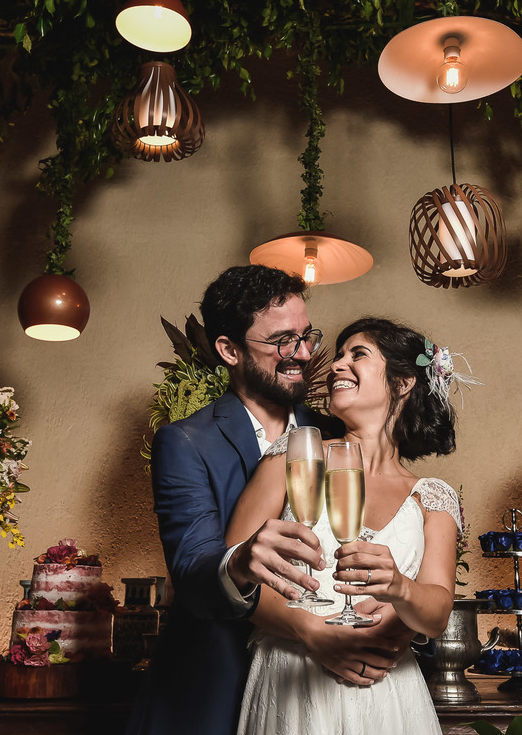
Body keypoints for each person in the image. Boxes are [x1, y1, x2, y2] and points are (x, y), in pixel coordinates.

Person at [126, 269, 407, 735]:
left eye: (306, 336)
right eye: (282, 341)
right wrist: (238, 561)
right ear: (229, 350)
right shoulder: (185, 442)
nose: (303, 354)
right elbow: (193, 572)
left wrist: (394, 624)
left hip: (324, 694)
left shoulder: (340, 435)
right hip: (215, 688)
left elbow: (391, 535)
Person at [227, 317, 466, 735]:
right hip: (292, 684)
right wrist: (312, 633)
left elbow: (438, 612)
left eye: (357, 354)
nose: (336, 365)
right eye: (337, 355)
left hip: (389, 694)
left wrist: (400, 592)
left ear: (404, 381)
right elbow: (234, 579)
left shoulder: (433, 497)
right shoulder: (296, 456)